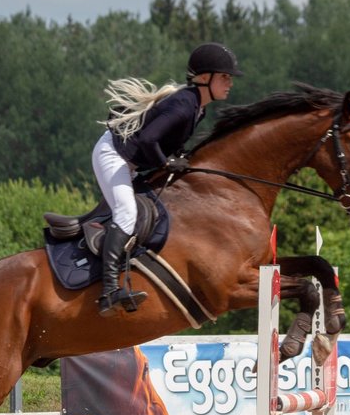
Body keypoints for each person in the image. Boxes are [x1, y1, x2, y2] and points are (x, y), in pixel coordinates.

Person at [91, 42, 242, 315]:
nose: (229, 82)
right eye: (224, 76)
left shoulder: (198, 108)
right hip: (113, 155)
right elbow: (149, 139)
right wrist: (166, 162)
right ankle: (109, 290)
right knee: (127, 214)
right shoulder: (185, 105)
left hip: (133, 161)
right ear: (204, 78)